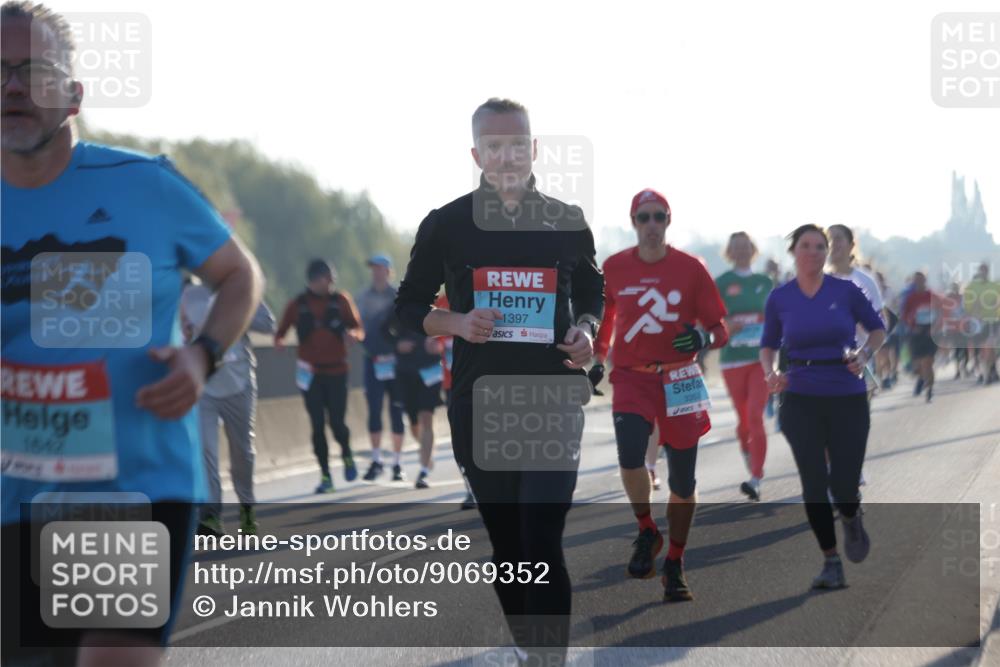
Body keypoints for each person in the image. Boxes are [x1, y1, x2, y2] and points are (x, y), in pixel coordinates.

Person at [0, 3, 264, 664]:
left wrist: (203, 355)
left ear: (73, 95)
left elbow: (238, 274)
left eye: (32, 71)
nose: (11, 87)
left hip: (130, 484)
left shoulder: (145, 185)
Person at [395, 98, 603, 662]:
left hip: (552, 401)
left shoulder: (566, 220)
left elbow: (591, 293)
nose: (506, 156)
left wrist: (586, 330)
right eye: (494, 146)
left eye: (517, 144)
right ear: (476, 153)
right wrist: (459, 322)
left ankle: (547, 660)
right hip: (479, 406)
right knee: (511, 551)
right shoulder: (446, 225)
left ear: (533, 149)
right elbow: (406, 309)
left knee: (540, 540)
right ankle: (529, 650)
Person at [593, 188, 729, 601]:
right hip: (632, 377)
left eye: (659, 217)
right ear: (633, 223)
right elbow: (606, 317)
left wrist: (703, 336)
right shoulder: (614, 267)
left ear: (669, 221)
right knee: (630, 455)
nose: (652, 225)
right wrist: (597, 359)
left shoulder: (691, 268)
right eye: (644, 217)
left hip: (680, 378)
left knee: (684, 480)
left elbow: (720, 328)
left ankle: (675, 560)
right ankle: (647, 530)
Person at [760, 224, 886, 590]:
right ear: (794, 251)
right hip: (800, 395)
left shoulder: (846, 291)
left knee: (843, 484)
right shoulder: (780, 298)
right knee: (814, 484)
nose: (814, 252)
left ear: (828, 251)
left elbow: (878, 329)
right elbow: (768, 345)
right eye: (806, 246)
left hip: (847, 393)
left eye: (820, 246)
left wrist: (864, 354)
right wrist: (771, 372)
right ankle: (831, 560)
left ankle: (850, 513)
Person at [181, 277, 275, 537]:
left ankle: (247, 507)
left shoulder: (241, 288)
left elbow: (269, 324)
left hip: (239, 384)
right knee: (205, 451)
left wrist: (238, 311)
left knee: (242, 451)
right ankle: (211, 516)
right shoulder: (188, 296)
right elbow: (176, 332)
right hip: (204, 387)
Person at [274, 259, 363, 493]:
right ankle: (325, 476)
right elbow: (280, 332)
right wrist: (280, 341)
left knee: (337, 422)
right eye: (327, 278)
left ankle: (347, 453)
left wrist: (354, 334)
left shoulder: (341, 300)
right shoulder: (297, 305)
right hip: (310, 375)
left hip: (337, 372)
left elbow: (358, 327)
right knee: (316, 425)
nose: (332, 282)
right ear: (314, 280)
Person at [715, 232, 772, 501]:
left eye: (745, 246)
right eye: (735, 247)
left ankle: (756, 478)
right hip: (732, 360)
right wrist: (727, 325)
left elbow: (777, 318)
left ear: (753, 250)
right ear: (730, 251)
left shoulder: (765, 282)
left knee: (755, 415)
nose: (741, 251)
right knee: (743, 421)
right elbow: (709, 318)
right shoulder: (723, 283)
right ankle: (747, 450)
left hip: (759, 360)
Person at [356, 254, 406, 481]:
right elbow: (356, 326)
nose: (376, 272)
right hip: (373, 360)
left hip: (395, 361)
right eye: (373, 268)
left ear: (388, 271)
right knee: (374, 409)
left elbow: (408, 326)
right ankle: (376, 459)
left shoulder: (397, 297)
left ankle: (397, 462)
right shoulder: (362, 298)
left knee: (396, 410)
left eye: (380, 268)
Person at [382, 311, 442, 488]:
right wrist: (397, 344)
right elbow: (383, 331)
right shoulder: (402, 309)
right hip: (406, 371)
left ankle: (423, 471)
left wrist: (437, 341)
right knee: (414, 422)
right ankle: (425, 450)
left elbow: (450, 331)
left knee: (427, 418)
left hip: (430, 369)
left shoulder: (437, 309)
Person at [900, 272, 943, 402]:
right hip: (916, 333)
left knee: (928, 362)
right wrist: (912, 325)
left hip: (930, 333)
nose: (919, 282)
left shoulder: (932, 296)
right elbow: (904, 315)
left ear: (925, 281)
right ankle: (921, 378)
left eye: (921, 280)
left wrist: (935, 328)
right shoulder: (910, 297)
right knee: (917, 365)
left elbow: (940, 313)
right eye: (916, 280)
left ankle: (929, 390)